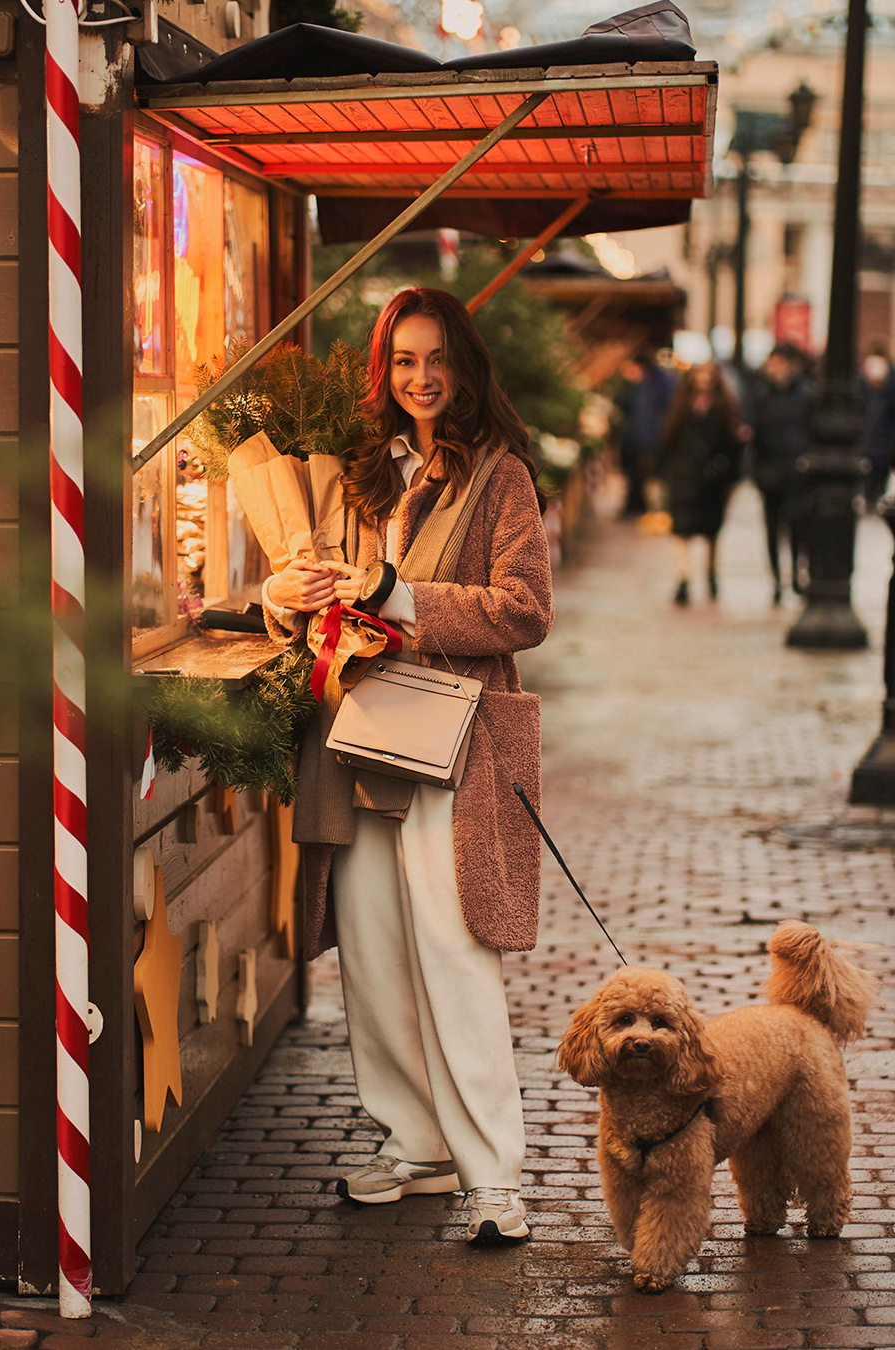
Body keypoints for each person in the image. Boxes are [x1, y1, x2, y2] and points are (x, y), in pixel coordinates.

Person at [263, 288, 553, 1244]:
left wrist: (402, 593)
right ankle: (415, 1144)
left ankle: (494, 1173)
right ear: (382, 373)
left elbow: (525, 610)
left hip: (453, 749)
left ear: (464, 366)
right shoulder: (360, 476)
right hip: (357, 735)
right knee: (377, 950)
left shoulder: (501, 477)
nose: (421, 379)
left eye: (437, 360)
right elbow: (320, 599)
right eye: (403, 362)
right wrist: (287, 590)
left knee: (454, 954)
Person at [657, 361, 744, 604]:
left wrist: (730, 478)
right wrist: (661, 474)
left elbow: (733, 447)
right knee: (682, 530)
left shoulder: (724, 409)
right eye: (699, 375)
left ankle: (711, 573)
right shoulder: (680, 407)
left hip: (713, 480)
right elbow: (667, 441)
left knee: (711, 531)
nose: (703, 380)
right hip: (684, 477)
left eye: (708, 376)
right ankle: (683, 578)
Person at [747, 343, 811, 604]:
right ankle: (776, 580)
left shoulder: (806, 394)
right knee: (772, 530)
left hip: (796, 473)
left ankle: (797, 574)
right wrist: (757, 471)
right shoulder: (761, 395)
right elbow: (753, 436)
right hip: (770, 472)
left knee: (796, 527)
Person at [613, 352, 677, 517]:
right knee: (637, 476)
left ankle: (654, 511)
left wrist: (652, 439)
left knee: (652, 477)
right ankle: (639, 508)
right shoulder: (640, 384)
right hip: (639, 439)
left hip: (652, 440)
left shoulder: (658, 383)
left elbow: (657, 415)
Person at [860, 342, 895, 507]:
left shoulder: (894, 382)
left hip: (885, 436)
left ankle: (875, 496)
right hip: (871, 435)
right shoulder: (864, 388)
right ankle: (870, 497)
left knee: (880, 470)